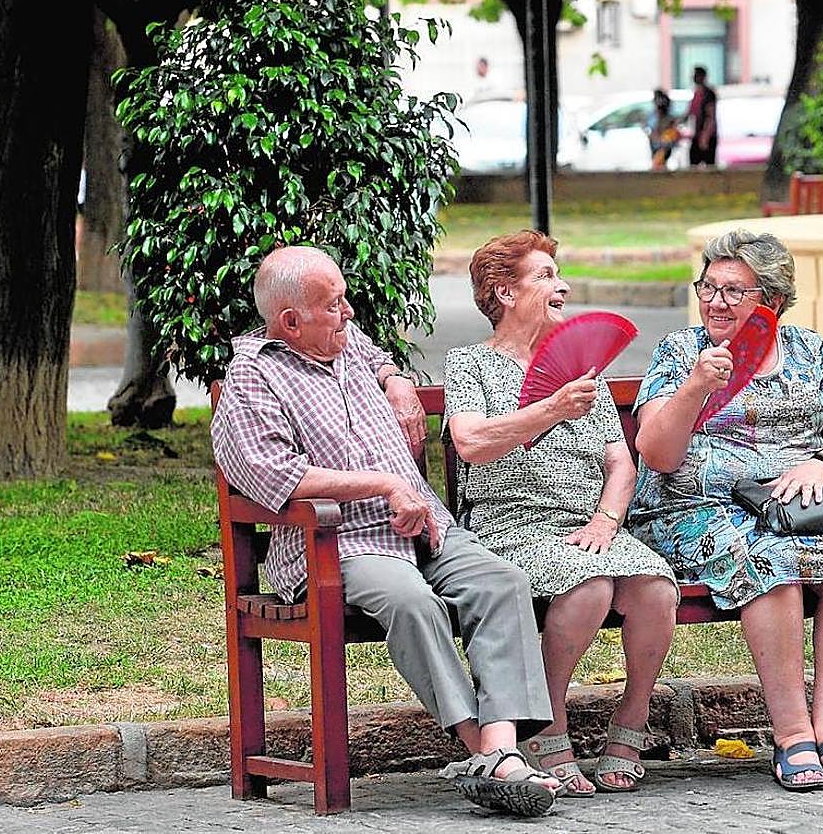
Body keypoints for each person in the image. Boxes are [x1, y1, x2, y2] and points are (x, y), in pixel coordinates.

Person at [210, 246, 560, 817]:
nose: (348, 311)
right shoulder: (255, 377)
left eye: (345, 297)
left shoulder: (345, 343)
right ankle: (484, 754)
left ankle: (500, 750)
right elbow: (272, 474)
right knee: (412, 602)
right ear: (289, 322)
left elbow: (375, 351)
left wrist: (395, 378)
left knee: (501, 583)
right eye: (334, 304)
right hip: (337, 542)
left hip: (421, 526)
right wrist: (381, 484)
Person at [629, 228, 823, 792]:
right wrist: (696, 386)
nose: (715, 302)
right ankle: (792, 735)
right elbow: (658, 452)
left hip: (790, 503)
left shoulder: (809, 349)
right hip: (695, 506)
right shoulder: (680, 351)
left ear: (773, 301)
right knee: (769, 563)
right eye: (708, 287)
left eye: (733, 291)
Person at [444, 230, 679, 797]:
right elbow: (471, 442)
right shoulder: (470, 363)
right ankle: (547, 725)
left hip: (587, 525)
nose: (563, 285)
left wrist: (606, 520)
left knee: (655, 588)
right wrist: (550, 408)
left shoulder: (580, 367)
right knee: (590, 587)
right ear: (504, 292)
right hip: (509, 525)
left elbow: (621, 462)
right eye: (545, 275)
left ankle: (631, 725)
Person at [686, 65, 717, 167]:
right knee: (693, 162)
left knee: (708, 165)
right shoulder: (696, 94)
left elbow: (710, 116)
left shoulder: (708, 94)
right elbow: (690, 113)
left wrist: (706, 136)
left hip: (706, 135)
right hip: (697, 134)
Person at [648, 88, 680, 170]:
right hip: (658, 143)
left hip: (664, 143)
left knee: (660, 162)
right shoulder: (654, 116)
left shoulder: (667, 119)